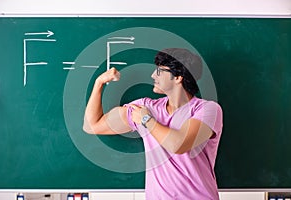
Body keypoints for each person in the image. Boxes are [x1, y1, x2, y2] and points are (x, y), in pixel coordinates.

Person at [83, 48, 223, 200]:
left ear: (178, 77)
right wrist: (99, 83)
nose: (152, 75)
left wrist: (146, 121)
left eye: (159, 71)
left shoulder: (207, 110)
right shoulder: (145, 107)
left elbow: (178, 144)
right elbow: (92, 126)